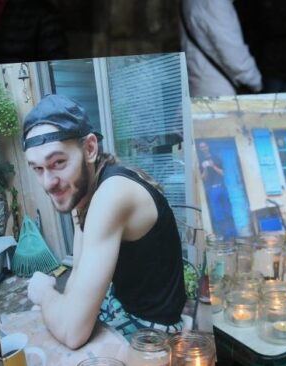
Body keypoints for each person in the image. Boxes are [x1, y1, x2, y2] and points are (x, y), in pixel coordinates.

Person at [24, 95, 186, 348]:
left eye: (58, 163)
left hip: (153, 331)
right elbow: (77, 271)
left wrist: (44, 293)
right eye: (37, 168)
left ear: (89, 149)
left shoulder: (112, 194)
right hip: (120, 303)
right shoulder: (86, 191)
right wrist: (64, 308)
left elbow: (72, 333)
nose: (48, 183)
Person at [180, 0, 262, 97]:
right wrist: (256, 82)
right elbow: (234, 56)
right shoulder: (214, 3)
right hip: (219, 90)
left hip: (200, 81)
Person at [198, 141, 235, 238]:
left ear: (208, 146)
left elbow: (222, 173)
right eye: (201, 147)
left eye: (204, 146)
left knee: (227, 211)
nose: (203, 148)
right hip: (212, 190)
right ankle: (224, 235)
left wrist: (213, 165)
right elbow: (203, 178)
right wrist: (205, 168)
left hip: (222, 187)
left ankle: (233, 235)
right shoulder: (201, 160)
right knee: (218, 214)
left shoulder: (216, 157)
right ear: (200, 149)